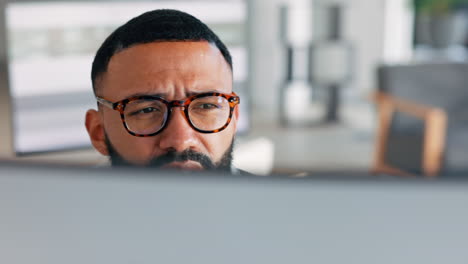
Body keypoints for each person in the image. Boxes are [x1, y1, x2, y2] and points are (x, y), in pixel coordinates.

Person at [85, 9, 241, 173]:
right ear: (99, 133)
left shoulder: (269, 198)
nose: (181, 141)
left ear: (234, 119)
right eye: (147, 110)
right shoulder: (65, 198)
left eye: (206, 107)